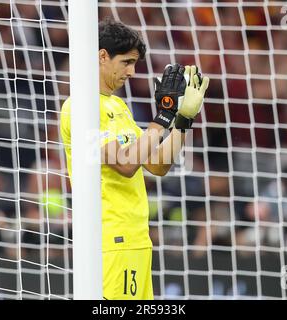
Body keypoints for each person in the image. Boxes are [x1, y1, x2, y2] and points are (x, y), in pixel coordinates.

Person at [60, 17, 209, 300]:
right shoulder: (79, 106)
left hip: (137, 239)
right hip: (110, 239)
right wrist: (161, 118)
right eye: (126, 62)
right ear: (102, 56)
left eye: (135, 63)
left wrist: (181, 120)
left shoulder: (119, 107)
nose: (132, 71)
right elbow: (126, 164)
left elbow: (158, 164)